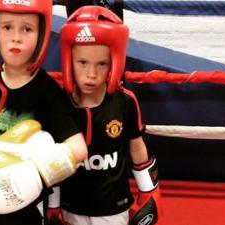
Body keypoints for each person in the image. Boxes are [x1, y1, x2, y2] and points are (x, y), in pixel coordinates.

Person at [0, 1, 87, 225]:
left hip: (27, 203)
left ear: (42, 34)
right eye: (7, 27)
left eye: (27, 29)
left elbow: (78, 148)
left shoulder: (47, 90)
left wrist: (34, 174)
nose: (16, 37)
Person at [48, 5, 163, 225]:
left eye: (102, 64)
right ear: (68, 60)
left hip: (114, 207)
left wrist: (149, 190)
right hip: (72, 206)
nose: (91, 74)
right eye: (82, 63)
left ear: (114, 63)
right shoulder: (59, 103)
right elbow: (53, 156)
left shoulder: (125, 101)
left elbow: (136, 146)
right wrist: (53, 204)